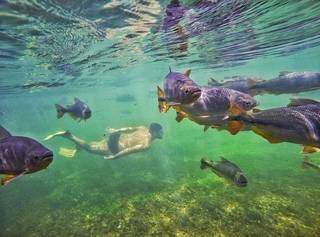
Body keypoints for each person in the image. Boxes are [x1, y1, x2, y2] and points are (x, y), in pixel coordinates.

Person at [44, 123, 163, 160]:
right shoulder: (146, 144)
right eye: (161, 132)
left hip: (117, 139)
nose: (162, 134)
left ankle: (113, 133)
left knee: (93, 144)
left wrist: (117, 131)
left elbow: (128, 129)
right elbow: (128, 150)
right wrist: (114, 157)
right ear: (156, 132)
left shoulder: (142, 128)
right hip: (114, 148)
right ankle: (69, 136)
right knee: (90, 148)